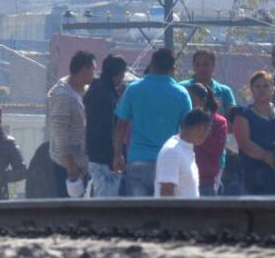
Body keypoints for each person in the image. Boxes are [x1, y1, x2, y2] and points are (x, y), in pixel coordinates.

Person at [113, 48, 193, 197]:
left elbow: (120, 126)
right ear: (172, 69)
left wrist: (118, 155)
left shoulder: (133, 90)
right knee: (165, 214)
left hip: (138, 160)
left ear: (151, 64)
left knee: (140, 213)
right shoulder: (181, 93)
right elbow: (188, 130)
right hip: (169, 163)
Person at [234, 70, 275, 195]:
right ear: (251, 90)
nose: (261, 90)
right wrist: (268, 157)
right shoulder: (243, 114)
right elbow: (245, 144)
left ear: (273, 89)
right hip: (254, 179)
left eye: (266, 86)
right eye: (257, 86)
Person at [46, 51, 95, 198]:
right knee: (69, 211)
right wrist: (70, 163)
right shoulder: (63, 95)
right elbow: (59, 132)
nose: (95, 73)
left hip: (82, 163)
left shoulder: (84, 91)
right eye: (93, 69)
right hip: (66, 165)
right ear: (84, 69)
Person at [84, 55, 127, 197]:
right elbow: (108, 128)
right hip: (105, 158)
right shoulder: (107, 95)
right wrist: (115, 156)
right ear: (119, 73)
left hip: (93, 153)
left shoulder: (95, 88)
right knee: (106, 203)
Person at [155, 108, 214, 198]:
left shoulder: (186, 149)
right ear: (200, 128)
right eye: (208, 131)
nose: (207, 136)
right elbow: (166, 193)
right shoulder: (172, 151)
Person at [186, 83, 228, 196]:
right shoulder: (183, 119)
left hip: (207, 181)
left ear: (203, 101)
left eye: (193, 100)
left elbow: (217, 148)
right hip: (184, 178)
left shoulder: (219, 122)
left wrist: (197, 135)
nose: (189, 104)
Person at [179, 49, 236, 113]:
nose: (201, 68)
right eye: (198, 65)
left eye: (206, 64)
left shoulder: (224, 91)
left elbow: (232, 118)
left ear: (213, 66)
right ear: (193, 66)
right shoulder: (182, 88)